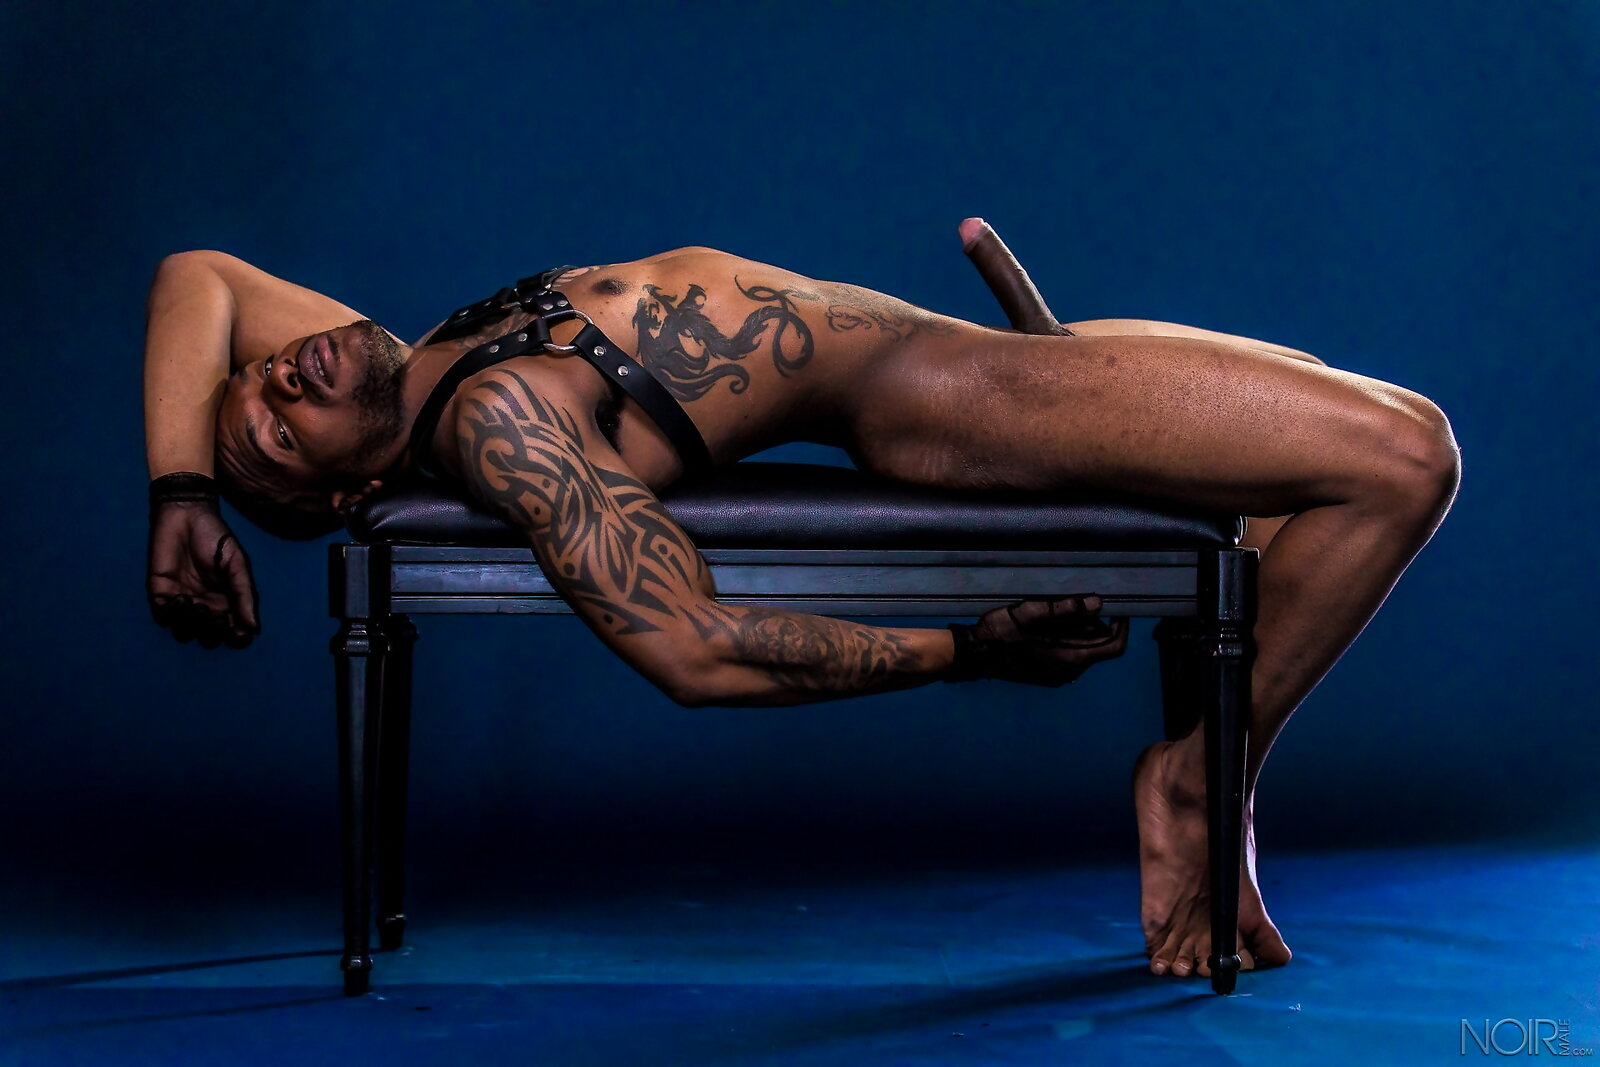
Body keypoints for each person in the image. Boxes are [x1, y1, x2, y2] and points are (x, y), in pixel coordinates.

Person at [141, 220, 1460, 981]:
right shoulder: (499, 423)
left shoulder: (408, 363)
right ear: (345, 495)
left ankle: (1219, 769)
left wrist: (187, 493)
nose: (277, 380)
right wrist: (969, 652)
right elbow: (696, 651)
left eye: (260, 380)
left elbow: (199, 276)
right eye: (273, 429)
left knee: (1319, 462)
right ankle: (1198, 782)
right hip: (974, 402)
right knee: (1405, 457)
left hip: (977, 355)